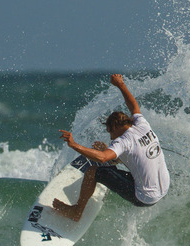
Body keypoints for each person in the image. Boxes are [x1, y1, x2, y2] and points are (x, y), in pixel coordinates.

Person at [53, 74, 170, 221]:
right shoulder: (142, 124)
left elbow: (102, 158)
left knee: (92, 171)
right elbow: (133, 105)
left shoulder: (123, 141)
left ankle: (76, 211)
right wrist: (121, 85)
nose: (111, 138)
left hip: (144, 197)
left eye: (110, 133)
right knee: (117, 161)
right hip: (164, 188)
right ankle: (113, 170)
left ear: (115, 128)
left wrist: (73, 144)